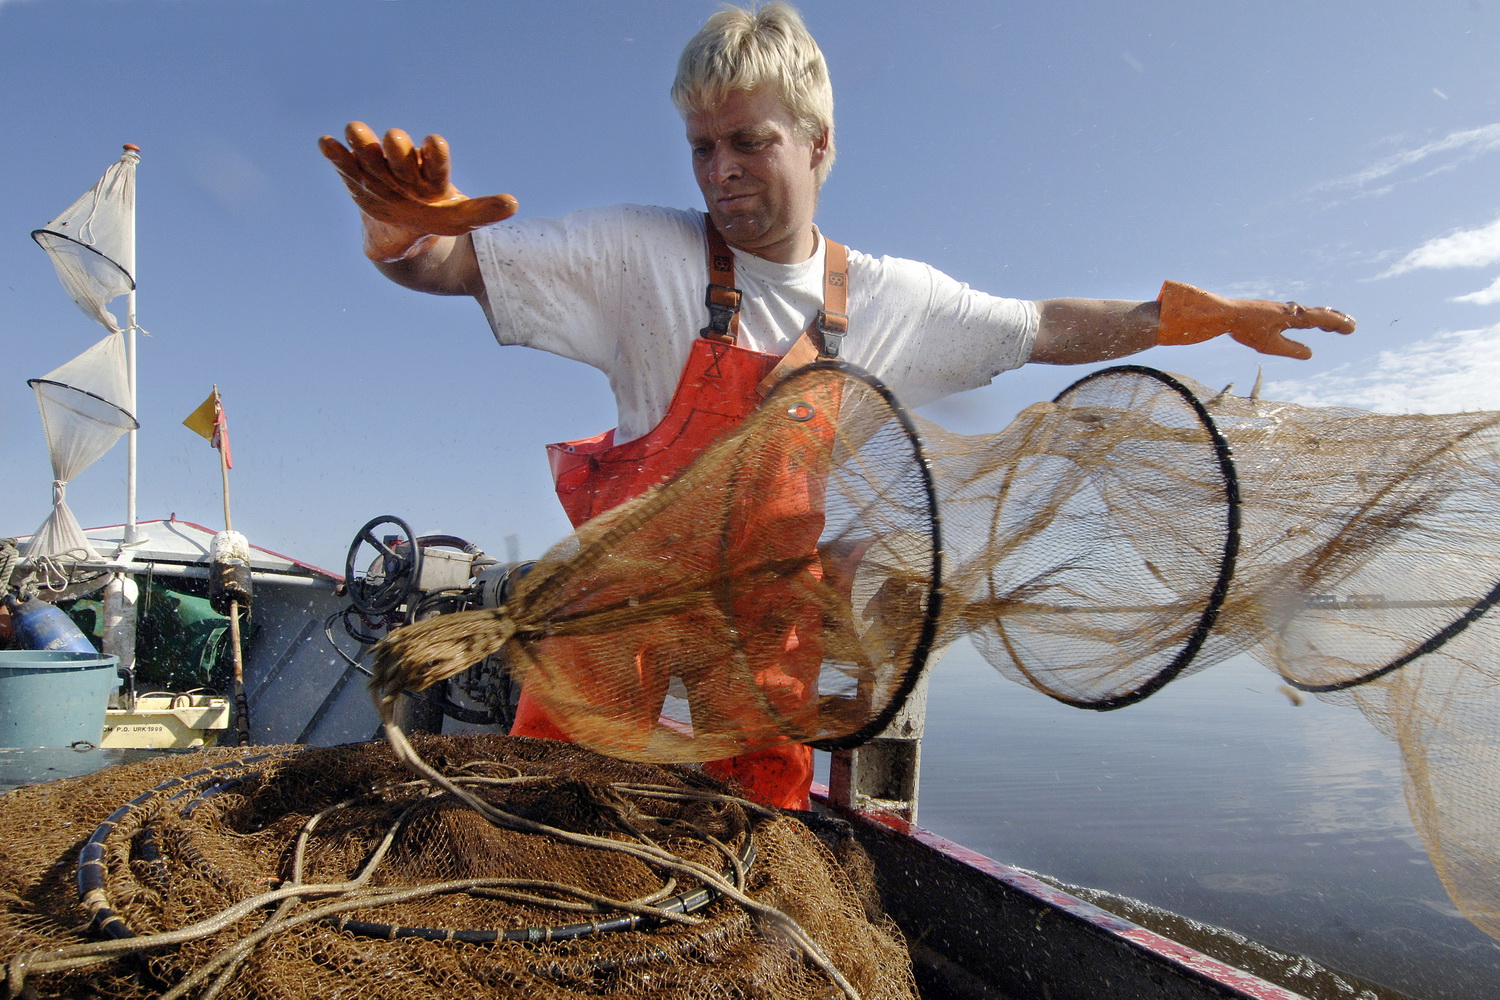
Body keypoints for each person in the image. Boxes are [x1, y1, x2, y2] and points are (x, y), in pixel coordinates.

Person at [320, 2, 1354, 811]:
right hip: (599, 689)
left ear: (818, 143)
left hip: (752, 707)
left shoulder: (893, 301)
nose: (721, 173)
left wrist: (1178, 317)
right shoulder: (642, 258)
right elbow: (455, 263)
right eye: (702, 147)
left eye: (749, 143)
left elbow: (1041, 325)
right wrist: (401, 237)